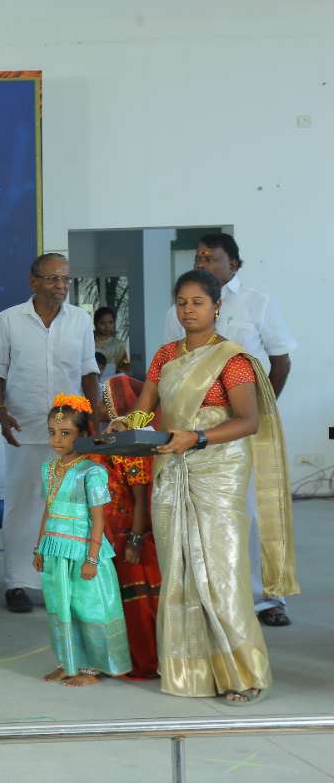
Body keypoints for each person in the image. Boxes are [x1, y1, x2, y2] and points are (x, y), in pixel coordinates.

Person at [117, 269, 297, 704]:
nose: (188, 310)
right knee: (178, 570)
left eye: (197, 302)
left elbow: (247, 421)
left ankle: (244, 675)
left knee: (221, 572)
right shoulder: (165, 356)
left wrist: (196, 437)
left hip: (217, 469)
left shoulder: (232, 360)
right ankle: (191, 672)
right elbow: (145, 410)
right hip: (171, 467)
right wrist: (122, 426)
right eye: (181, 303)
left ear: (217, 307)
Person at [162, 233, 298, 627]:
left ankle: (264, 598)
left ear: (233, 264)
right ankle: (209, 595)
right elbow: (170, 370)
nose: (201, 263)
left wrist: (260, 409)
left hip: (243, 425)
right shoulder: (176, 312)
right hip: (192, 429)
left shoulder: (258, 302)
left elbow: (281, 361)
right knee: (199, 512)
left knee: (250, 510)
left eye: (210, 258)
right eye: (198, 257)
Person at [0, 253, 101, 613]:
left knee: (68, 508)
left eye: (65, 279)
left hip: (70, 432)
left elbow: (89, 372)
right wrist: (1, 413)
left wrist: (97, 420)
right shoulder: (9, 319)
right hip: (23, 428)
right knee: (22, 505)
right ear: (33, 281)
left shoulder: (80, 320)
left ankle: (62, 583)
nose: (60, 286)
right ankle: (17, 584)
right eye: (52, 278)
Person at [35, 395, 131, 686]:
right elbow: (48, 509)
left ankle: (92, 669)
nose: (57, 439)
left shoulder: (92, 472)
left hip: (82, 550)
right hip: (55, 549)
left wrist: (91, 558)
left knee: (88, 608)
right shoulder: (48, 469)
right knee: (59, 607)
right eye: (52, 432)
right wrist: (39, 547)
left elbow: (98, 519)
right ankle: (67, 662)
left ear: (83, 435)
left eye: (66, 433)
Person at [93, 374, 160, 679]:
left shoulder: (131, 448)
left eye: (104, 400)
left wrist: (135, 539)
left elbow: (140, 498)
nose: (99, 405)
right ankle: (117, 658)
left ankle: (142, 660)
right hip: (109, 534)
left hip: (128, 536)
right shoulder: (109, 441)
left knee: (135, 602)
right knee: (113, 601)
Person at [93, 306, 129, 378]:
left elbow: (124, 369)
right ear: (95, 324)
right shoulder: (88, 342)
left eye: (110, 322)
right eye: (102, 323)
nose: (107, 326)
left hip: (110, 382)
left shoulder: (119, 345)